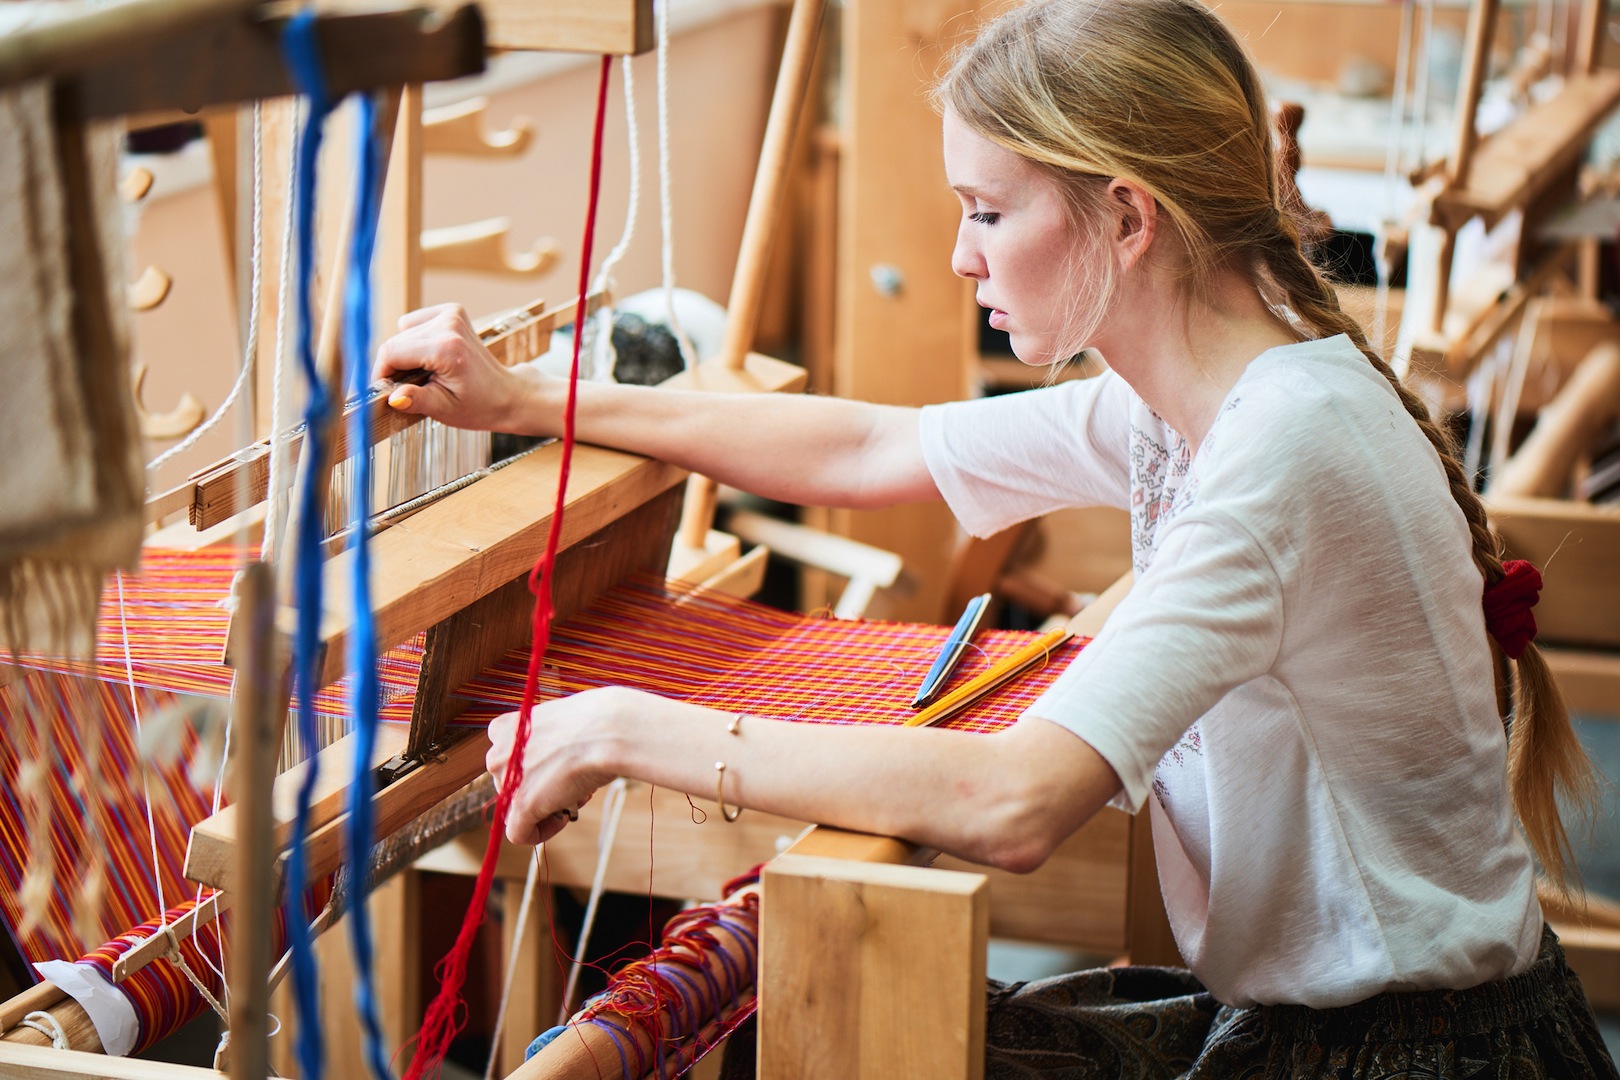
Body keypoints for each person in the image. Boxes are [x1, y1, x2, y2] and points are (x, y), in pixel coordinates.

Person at [374, 1, 1618, 1074]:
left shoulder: (1281, 453)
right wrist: (533, 402)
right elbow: (874, 451)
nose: (961, 254)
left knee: (831, 1023)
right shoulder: (1197, 396)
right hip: (1348, 1022)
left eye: (988, 210)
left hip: (1410, 1056)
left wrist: (620, 725)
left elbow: (1015, 801)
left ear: (1128, 218)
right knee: (811, 1021)